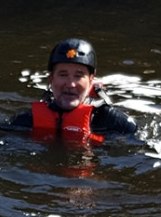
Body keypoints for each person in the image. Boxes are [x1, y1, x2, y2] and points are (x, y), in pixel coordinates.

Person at [8, 38, 137, 143]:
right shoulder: (26, 121)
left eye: (79, 75)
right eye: (63, 75)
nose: (70, 84)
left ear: (91, 80)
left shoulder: (115, 123)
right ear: (51, 79)